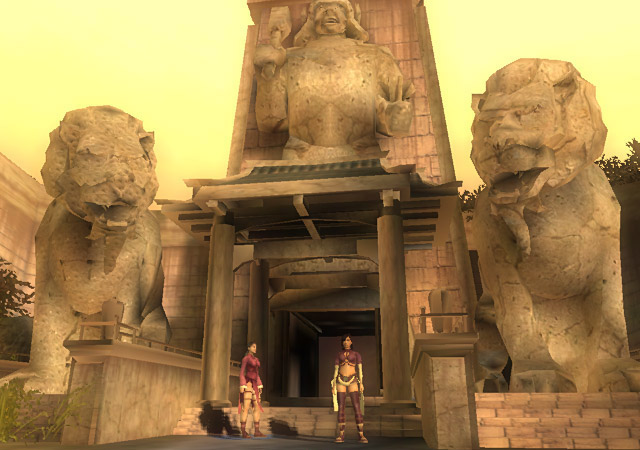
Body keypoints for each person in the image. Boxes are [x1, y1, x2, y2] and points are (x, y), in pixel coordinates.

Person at [331, 333, 367, 443]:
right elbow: (336, 370)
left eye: (348, 340)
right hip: (340, 380)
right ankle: (341, 435)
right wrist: (333, 383)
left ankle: (361, 434)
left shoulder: (356, 354)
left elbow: (360, 370)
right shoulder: (339, 354)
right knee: (341, 407)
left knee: (356, 406)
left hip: (353, 380)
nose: (346, 342)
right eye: (344, 340)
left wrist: (361, 383)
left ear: (351, 342)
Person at [238, 341, 265, 438]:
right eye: (253, 346)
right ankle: (243, 432)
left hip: (255, 384)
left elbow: (257, 374)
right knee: (245, 408)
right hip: (248, 383)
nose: (255, 348)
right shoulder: (246, 358)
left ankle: (257, 431)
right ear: (249, 348)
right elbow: (242, 372)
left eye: (255, 347)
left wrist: (259, 384)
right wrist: (242, 384)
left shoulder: (256, 359)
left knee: (256, 407)